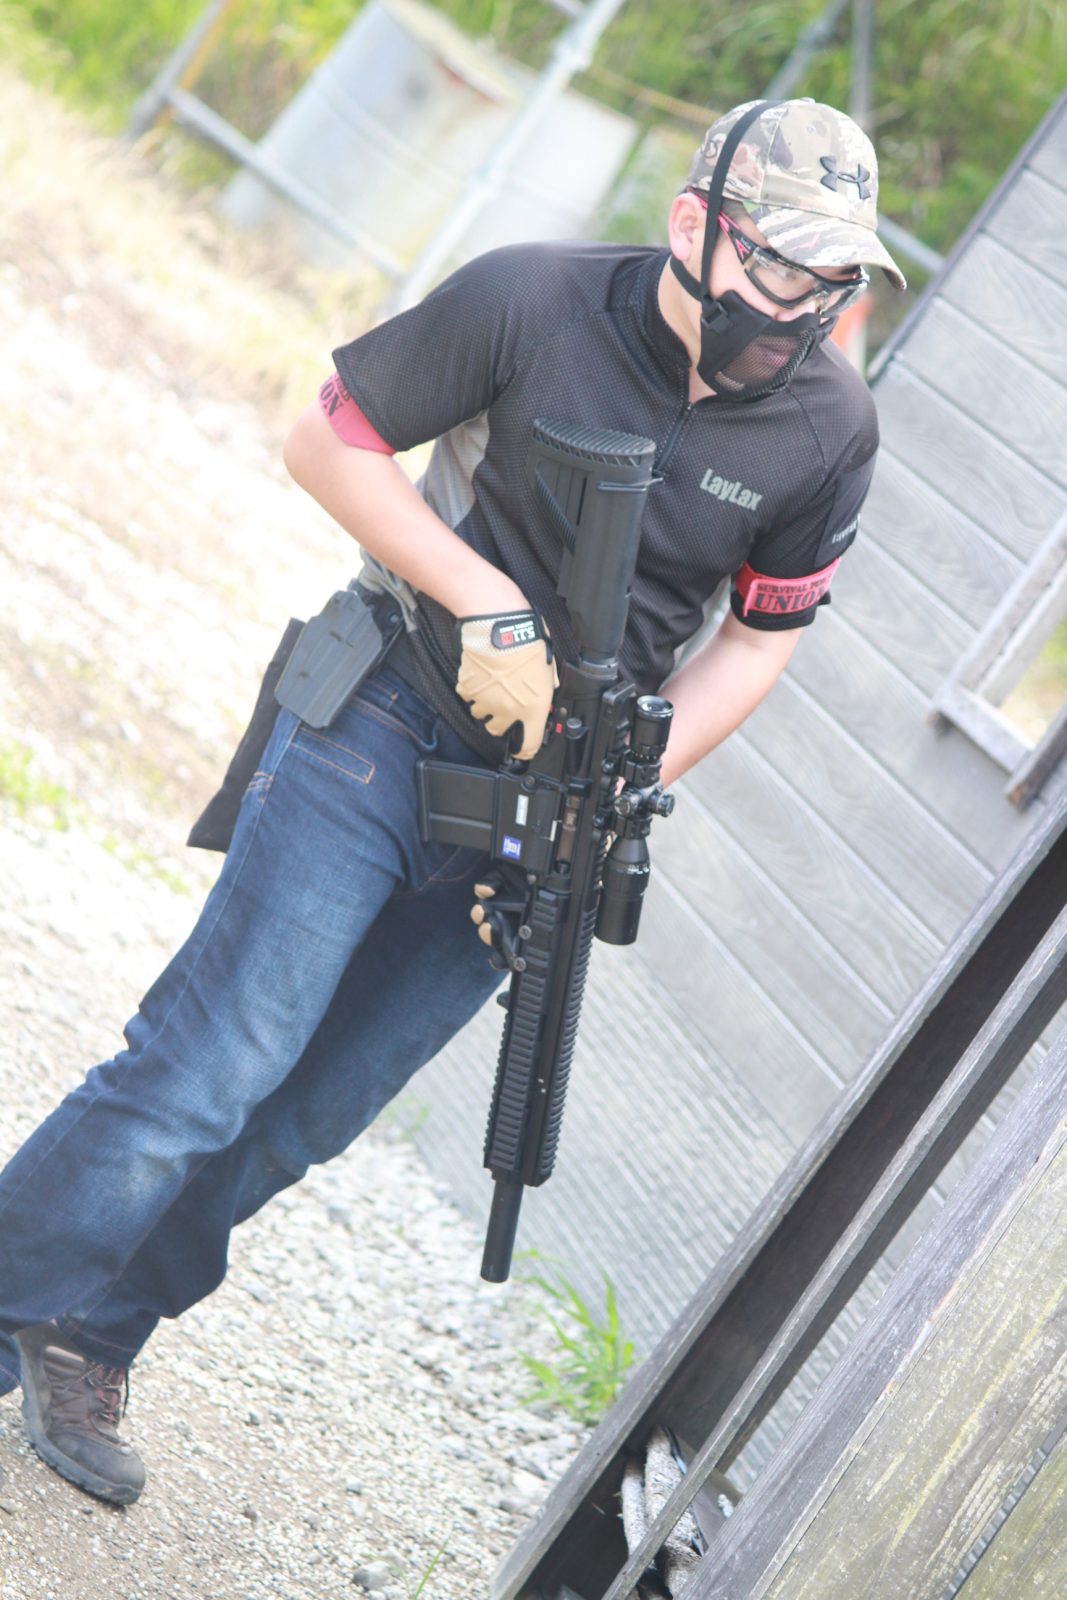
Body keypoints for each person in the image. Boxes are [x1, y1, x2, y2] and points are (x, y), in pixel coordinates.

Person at [0, 97, 904, 1505]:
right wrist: (483, 602)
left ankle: (92, 1332)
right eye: (782, 264)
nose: (803, 306)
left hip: (543, 816)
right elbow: (328, 443)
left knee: (301, 1118)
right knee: (210, 1067)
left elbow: (759, 640)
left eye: (834, 277)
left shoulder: (831, 429)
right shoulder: (529, 299)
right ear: (695, 226)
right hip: (386, 711)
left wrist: (622, 787)